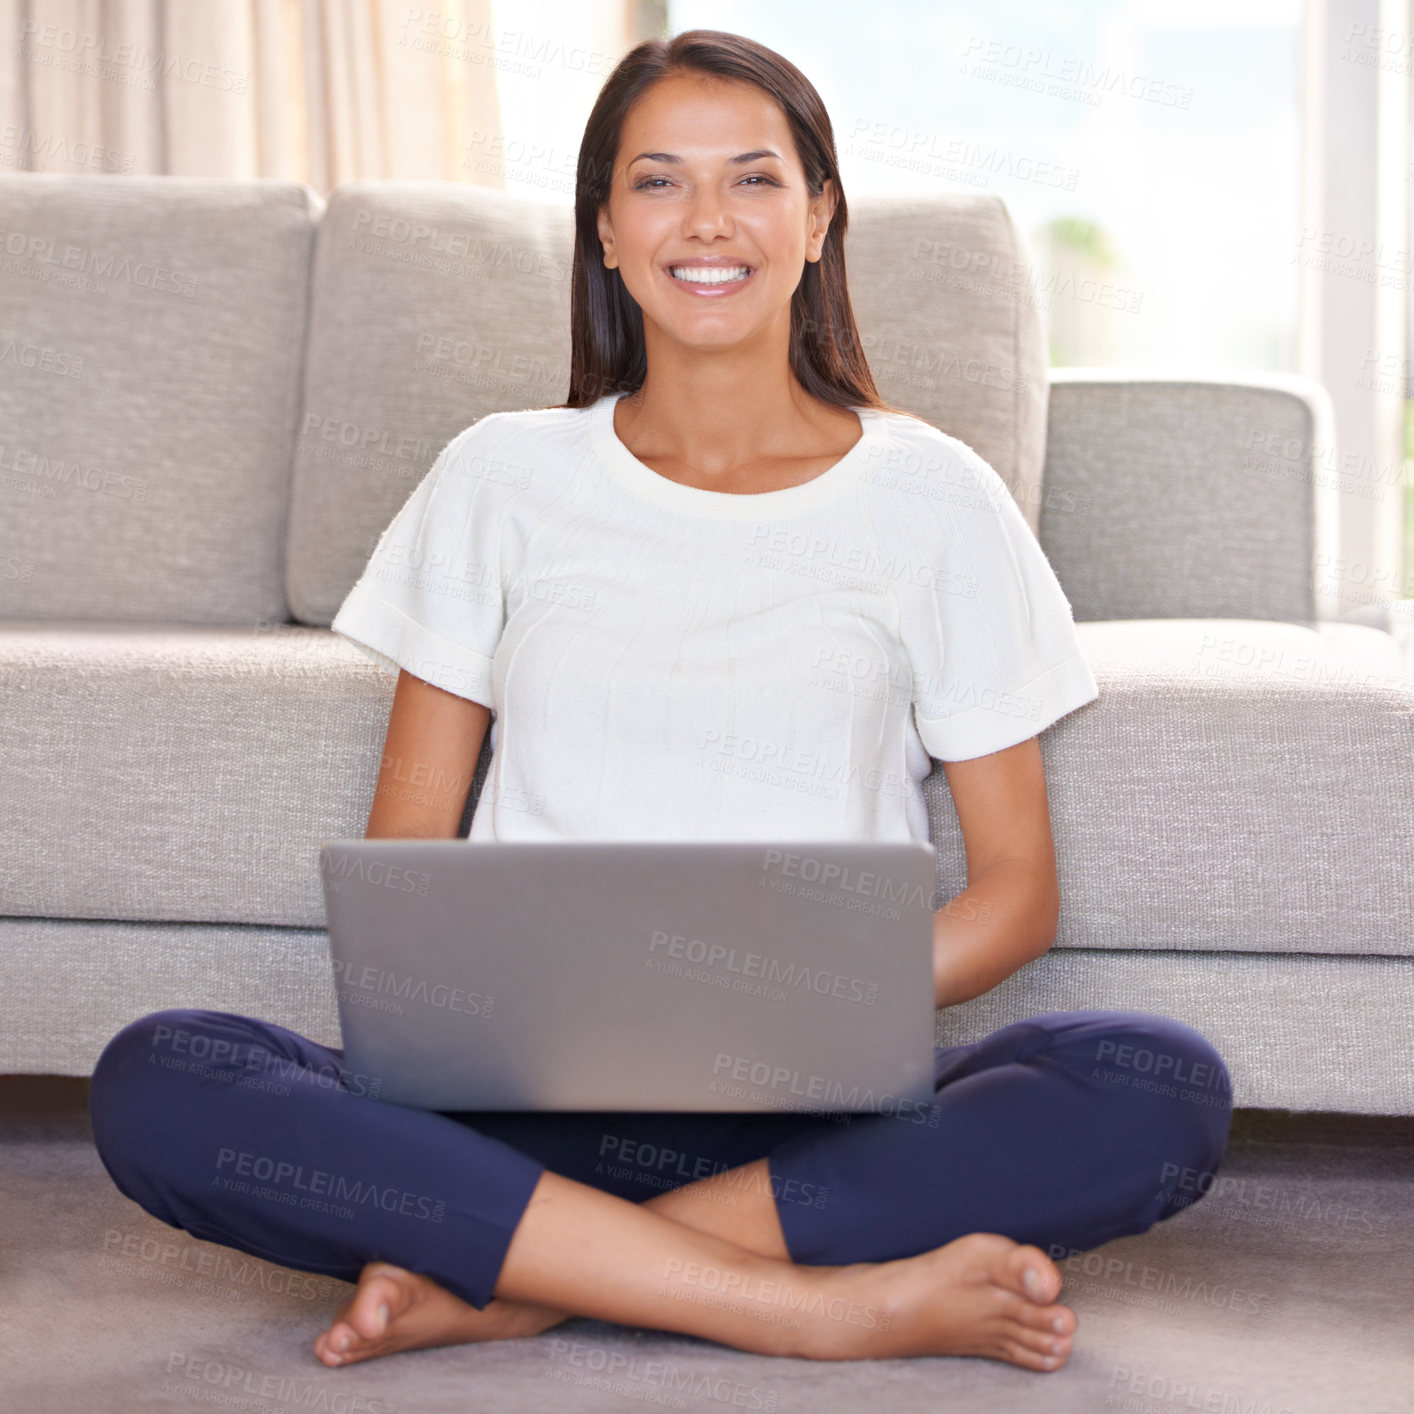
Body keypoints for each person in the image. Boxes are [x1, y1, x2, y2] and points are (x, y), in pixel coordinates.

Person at [87, 28, 1232, 1374]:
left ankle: (523, 1276)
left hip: (805, 1117)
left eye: (752, 180)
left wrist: (813, 997)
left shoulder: (935, 497)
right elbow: (404, 858)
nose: (706, 221)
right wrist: (474, 1008)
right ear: (606, 235)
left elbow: (1016, 889)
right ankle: (804, 1302)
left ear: (818, 221)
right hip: (513, 1101)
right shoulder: (499, 476)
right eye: (656, 183)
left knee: (1153, 1081)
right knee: (163, 1072)